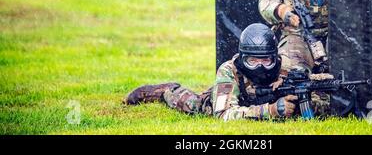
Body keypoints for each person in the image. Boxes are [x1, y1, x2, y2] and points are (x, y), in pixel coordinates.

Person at [124, 23, 331, 120]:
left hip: (257, 101)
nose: (260, 67)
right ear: (242, 58)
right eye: (252, 60)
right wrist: (270, 110)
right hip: (231, 98)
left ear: (275, 57)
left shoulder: (286, 67)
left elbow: (315, 91)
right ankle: (165, 90)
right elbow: (223, 114)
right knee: (194, 105)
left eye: (266, 60)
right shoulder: (229, 70)